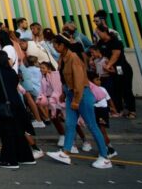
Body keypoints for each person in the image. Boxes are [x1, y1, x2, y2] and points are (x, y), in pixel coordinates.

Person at [46, 35, 114, 169]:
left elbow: (78, 80)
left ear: (62, 45)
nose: (54, 47)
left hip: (81, 94)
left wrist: (76, 100)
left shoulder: (73, 58)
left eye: (56, 44)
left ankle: (104, 157)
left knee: (92, 125)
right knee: (70, 124)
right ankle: (65, 152)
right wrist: (65, 93)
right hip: (71, 94)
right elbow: (65, 79)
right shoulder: (63, 58)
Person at [0, 50, 36, 169]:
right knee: (19, 131)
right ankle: (25, 157)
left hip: (4, 104)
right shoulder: (11, 71)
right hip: (17, 104)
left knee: (7, 133)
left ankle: (10, 160)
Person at [96, 29, 135, 118]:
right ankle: (118, 110)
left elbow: (116, 55)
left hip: (120, 68)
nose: (98, 34)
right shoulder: (100, 43)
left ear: (104, 32)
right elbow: (99, 54)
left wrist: (108, 65)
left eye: (99, 32)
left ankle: (131, 110)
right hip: (110, 71)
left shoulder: (115, 42)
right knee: (115, 90)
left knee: (126, 89)